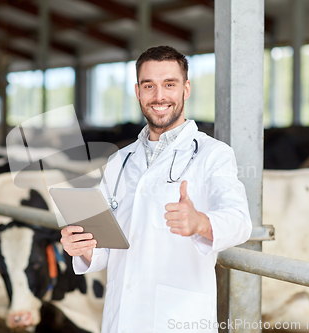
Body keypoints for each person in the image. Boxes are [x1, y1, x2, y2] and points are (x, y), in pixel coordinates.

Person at [60, 45, 252, 333]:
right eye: (149, 86)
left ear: (186, 89)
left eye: (169, 85)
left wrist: (200, 222)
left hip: (177, 319)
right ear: (138, 92)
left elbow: (240, 222)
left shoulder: (213, 154)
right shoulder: (120, 161)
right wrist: (82, 248)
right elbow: (104, 248)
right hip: (121, 317)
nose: (159, 96)